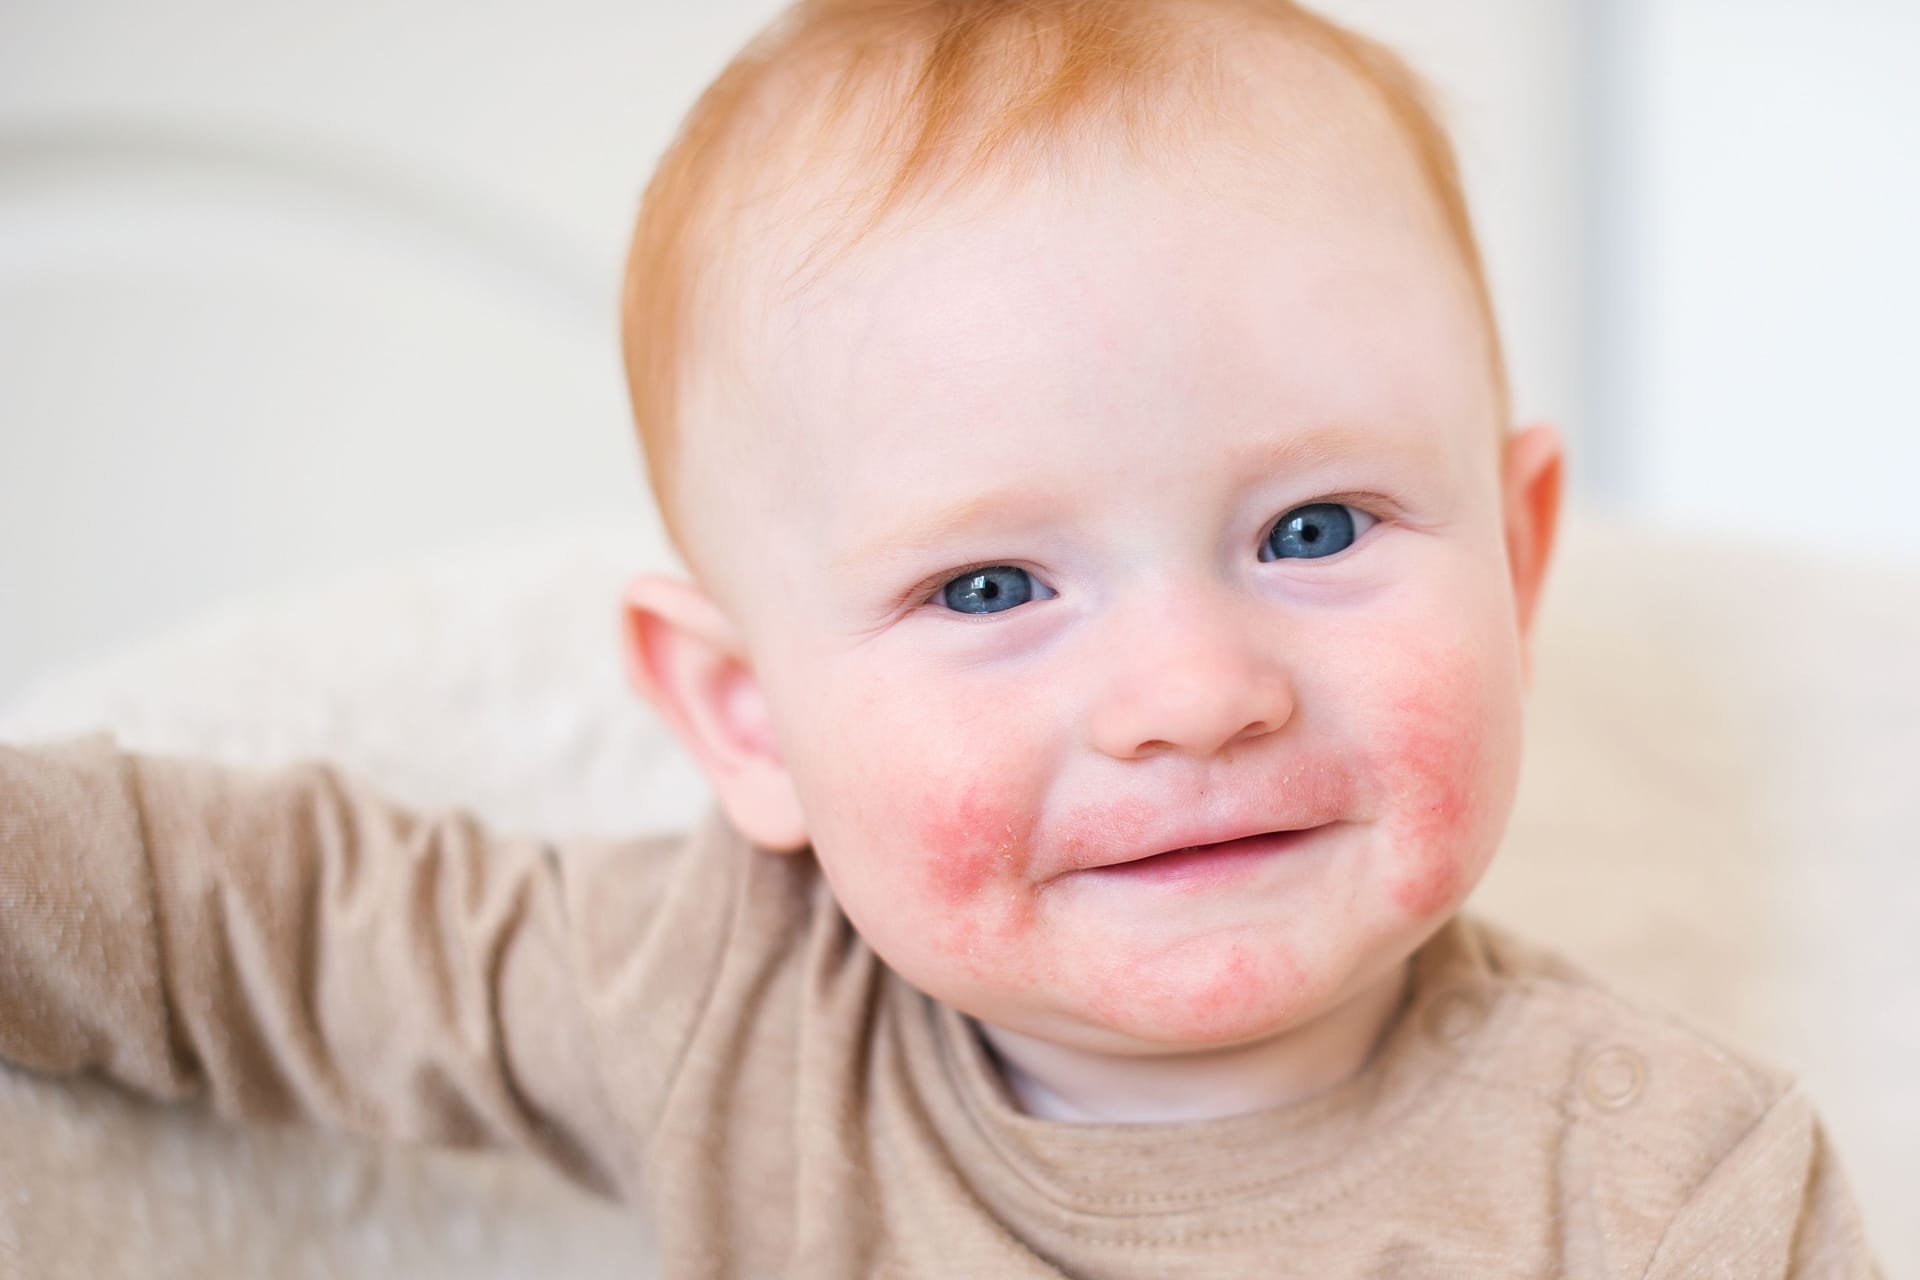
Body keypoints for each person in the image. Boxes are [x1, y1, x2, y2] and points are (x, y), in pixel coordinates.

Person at [0, 0, 1881, 1274]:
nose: (1195, 696)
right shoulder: (723, 1001)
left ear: (1521, 561)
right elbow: (241, 919)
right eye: (992, 590)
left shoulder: (1665, 1188)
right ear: (747, 720)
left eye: (1313, 530)